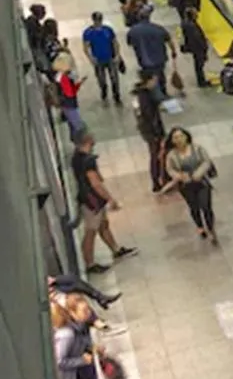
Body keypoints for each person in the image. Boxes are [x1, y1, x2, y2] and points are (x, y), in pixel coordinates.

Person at [71, 134, 138, 275]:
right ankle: (90, 263)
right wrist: (110, 199)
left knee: (103, 225)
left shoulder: (76, 157)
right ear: (88, 140)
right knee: (91, 231)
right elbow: (95, 183)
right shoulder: (88, 161)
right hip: (92, 201)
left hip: (87, 198)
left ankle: (115, 249)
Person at [163, 127, 219, 244]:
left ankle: (211, 229)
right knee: (194, 207)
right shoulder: (171, 155)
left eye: (181, 136)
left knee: (206, 206)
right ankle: (200, 226)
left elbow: (206, 161)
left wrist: (199, 172)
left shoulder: (197, 149)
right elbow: (170, 169)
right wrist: (179, 176)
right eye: (176, 137)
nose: (179, 139)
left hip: (201, 182)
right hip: (186, 186)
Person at [126, 6, 177, 96]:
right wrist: (173, 52)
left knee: (150, 78)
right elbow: (170, 41)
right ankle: (163, 93)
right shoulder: (158, 28)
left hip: (145, 60)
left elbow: (130, 43)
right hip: (160, 59)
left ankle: (153, 96)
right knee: (161, 77)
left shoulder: (133, 30)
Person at [133, 70, 169, 192]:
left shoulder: (140, 95)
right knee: (156, 155)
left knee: (156, 154)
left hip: (147, 129)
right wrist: (158, 133)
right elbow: (149, 115)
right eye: (154, 80)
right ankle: (157, 180)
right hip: (152, 131)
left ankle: (160, 178)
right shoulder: (145, 97)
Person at [82, 12, 123, 107]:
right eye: (97, 20)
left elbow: (114, 42)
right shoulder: (88, 32)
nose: (98, 22)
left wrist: (117, 55)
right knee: (101, 79)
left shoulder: (108, 30)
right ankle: (104, 92)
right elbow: (86, 47)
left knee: (114, 79)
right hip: (98, 60)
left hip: (110, 58)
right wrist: (91, 58)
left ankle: (116, 96)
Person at [53, 54, 87, 142]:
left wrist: (78, 84)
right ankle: (79, 144)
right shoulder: (64, 78)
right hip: (69, 104)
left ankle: (76, 142)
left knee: (73, 125)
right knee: (79, 126)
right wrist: (75, 84)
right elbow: (70, 93)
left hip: (65, 105)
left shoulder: (59, 76)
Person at [180, 7, 211, 87]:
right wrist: (204, 47)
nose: (197, 14)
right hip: (198, 48)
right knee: (199, 65)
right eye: (195, 13)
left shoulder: (185, 23)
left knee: (198, 64)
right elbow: (197, 38)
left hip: (193, 47)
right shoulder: (192, 26)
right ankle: (202, 82)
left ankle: (201, 81)